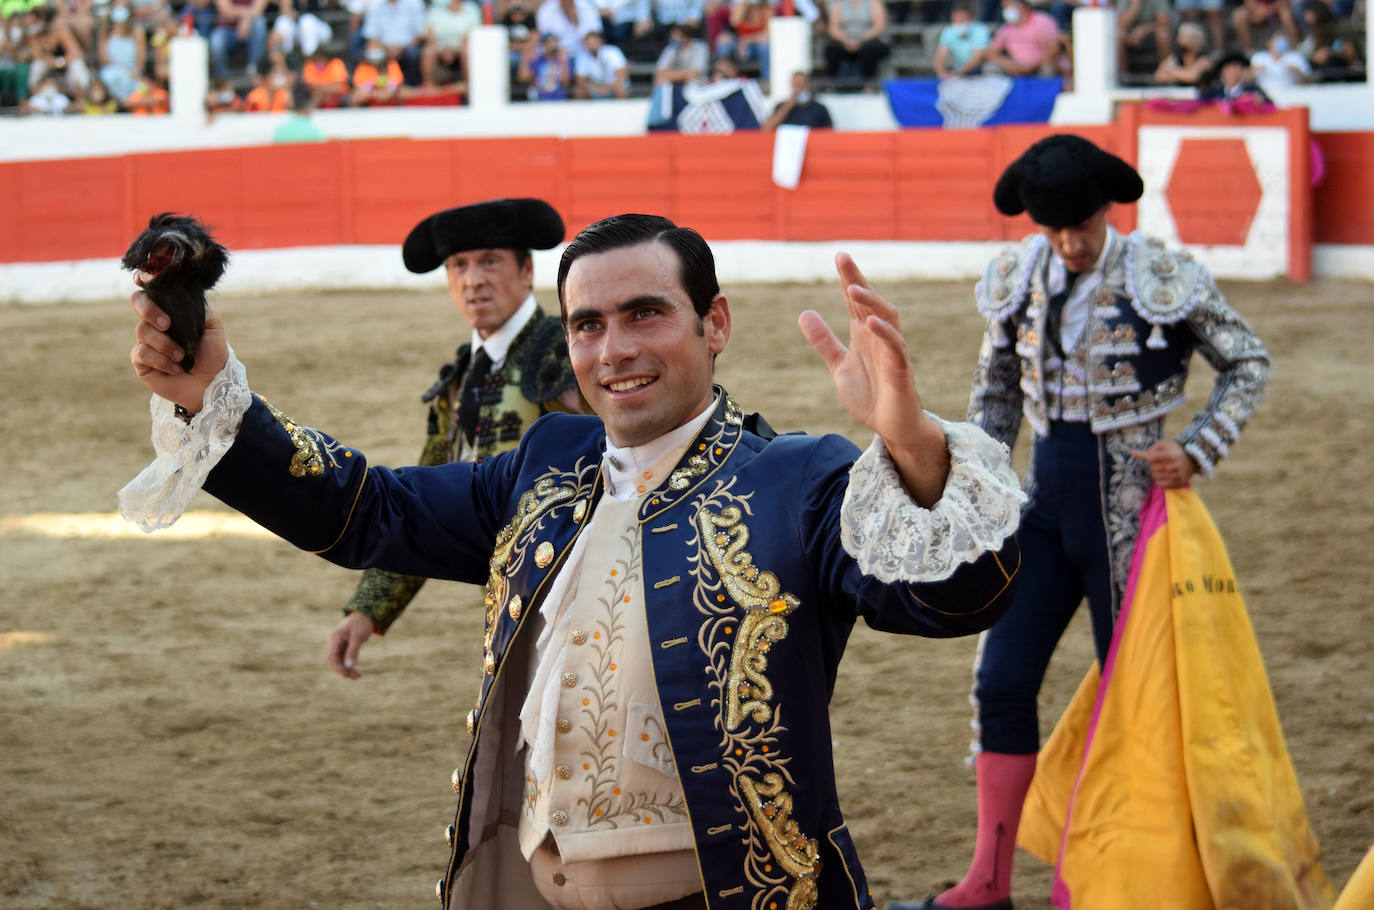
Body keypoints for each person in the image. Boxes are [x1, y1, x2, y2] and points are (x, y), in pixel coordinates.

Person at [122, 212, 1026, 910]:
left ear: (714, 323)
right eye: (587, 325)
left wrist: (914, 447)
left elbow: (956, 599)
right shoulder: (547, 464)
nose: (614, 350)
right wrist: (214, 398)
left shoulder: (799, 477)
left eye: (646, 314)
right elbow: (370, 512)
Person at [883, 134, 1269, 910]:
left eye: (1081, 226)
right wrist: (974, 490)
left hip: (1134, 514)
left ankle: (1146, 883)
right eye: (1054, 229)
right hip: (1045, 511)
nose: (1069, 244)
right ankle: (988, 883)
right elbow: (996, 394)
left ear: (1106, 210)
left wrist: (1197, 447)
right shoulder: (1020, 276)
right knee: (1000, 681)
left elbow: (1247, 361)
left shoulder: (1161, 276)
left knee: (1142, 699)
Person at [329, 198, 583, 666]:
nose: (473, 280)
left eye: (490, 261)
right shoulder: (461, 378)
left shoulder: (567, 352)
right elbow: (422, 503)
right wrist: (369, 608)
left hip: (582, 591)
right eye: (458, 266)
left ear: (527, 271)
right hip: (511, 600)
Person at [823, 0, 889, 87]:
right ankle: (832, 84)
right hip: (845, 40)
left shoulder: (874, 3)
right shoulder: (840, 4)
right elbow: (833, 28)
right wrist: (845, 40)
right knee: (831, 48)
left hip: (869, 39)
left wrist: (861, 39)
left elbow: (879, 26)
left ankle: (868, 85)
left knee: (870, 50)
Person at [932, 0, 990, 79]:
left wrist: (959, 73)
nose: (958, 22)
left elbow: (978, 57)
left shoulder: (980, 30)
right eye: (955, 19)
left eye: (962, 19)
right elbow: (940, 56)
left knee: (989, 68)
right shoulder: (949, 31)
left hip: (978, 70)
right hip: (959, 70)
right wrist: (941, 73)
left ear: (970, 18)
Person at [761, 69, 833, 129]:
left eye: (803, 84)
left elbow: (829, 132)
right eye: (797, 85)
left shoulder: (820, 109)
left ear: (809, 85)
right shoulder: (780, 106)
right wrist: (788, 105)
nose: (800, 89)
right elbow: (767, 128)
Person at [1152, 20, 1212, 87]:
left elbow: (1193, 77)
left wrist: (1171, 71)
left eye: (1187, 38)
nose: (1182, 42)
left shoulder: (1204, 59)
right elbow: (1159, 76)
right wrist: (1182, 75)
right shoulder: (1176, 57)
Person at [572, 27, 629, 98]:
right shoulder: (582, 56)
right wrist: (596, 89)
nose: (591, 46)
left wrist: (608, 88)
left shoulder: (613, 51)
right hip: (594, 89)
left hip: (613, 87)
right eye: (588, 43)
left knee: (620, 90)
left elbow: (622, 73)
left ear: (600, 41)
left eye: (593, 43)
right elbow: (580, 80)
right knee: (579, 92)